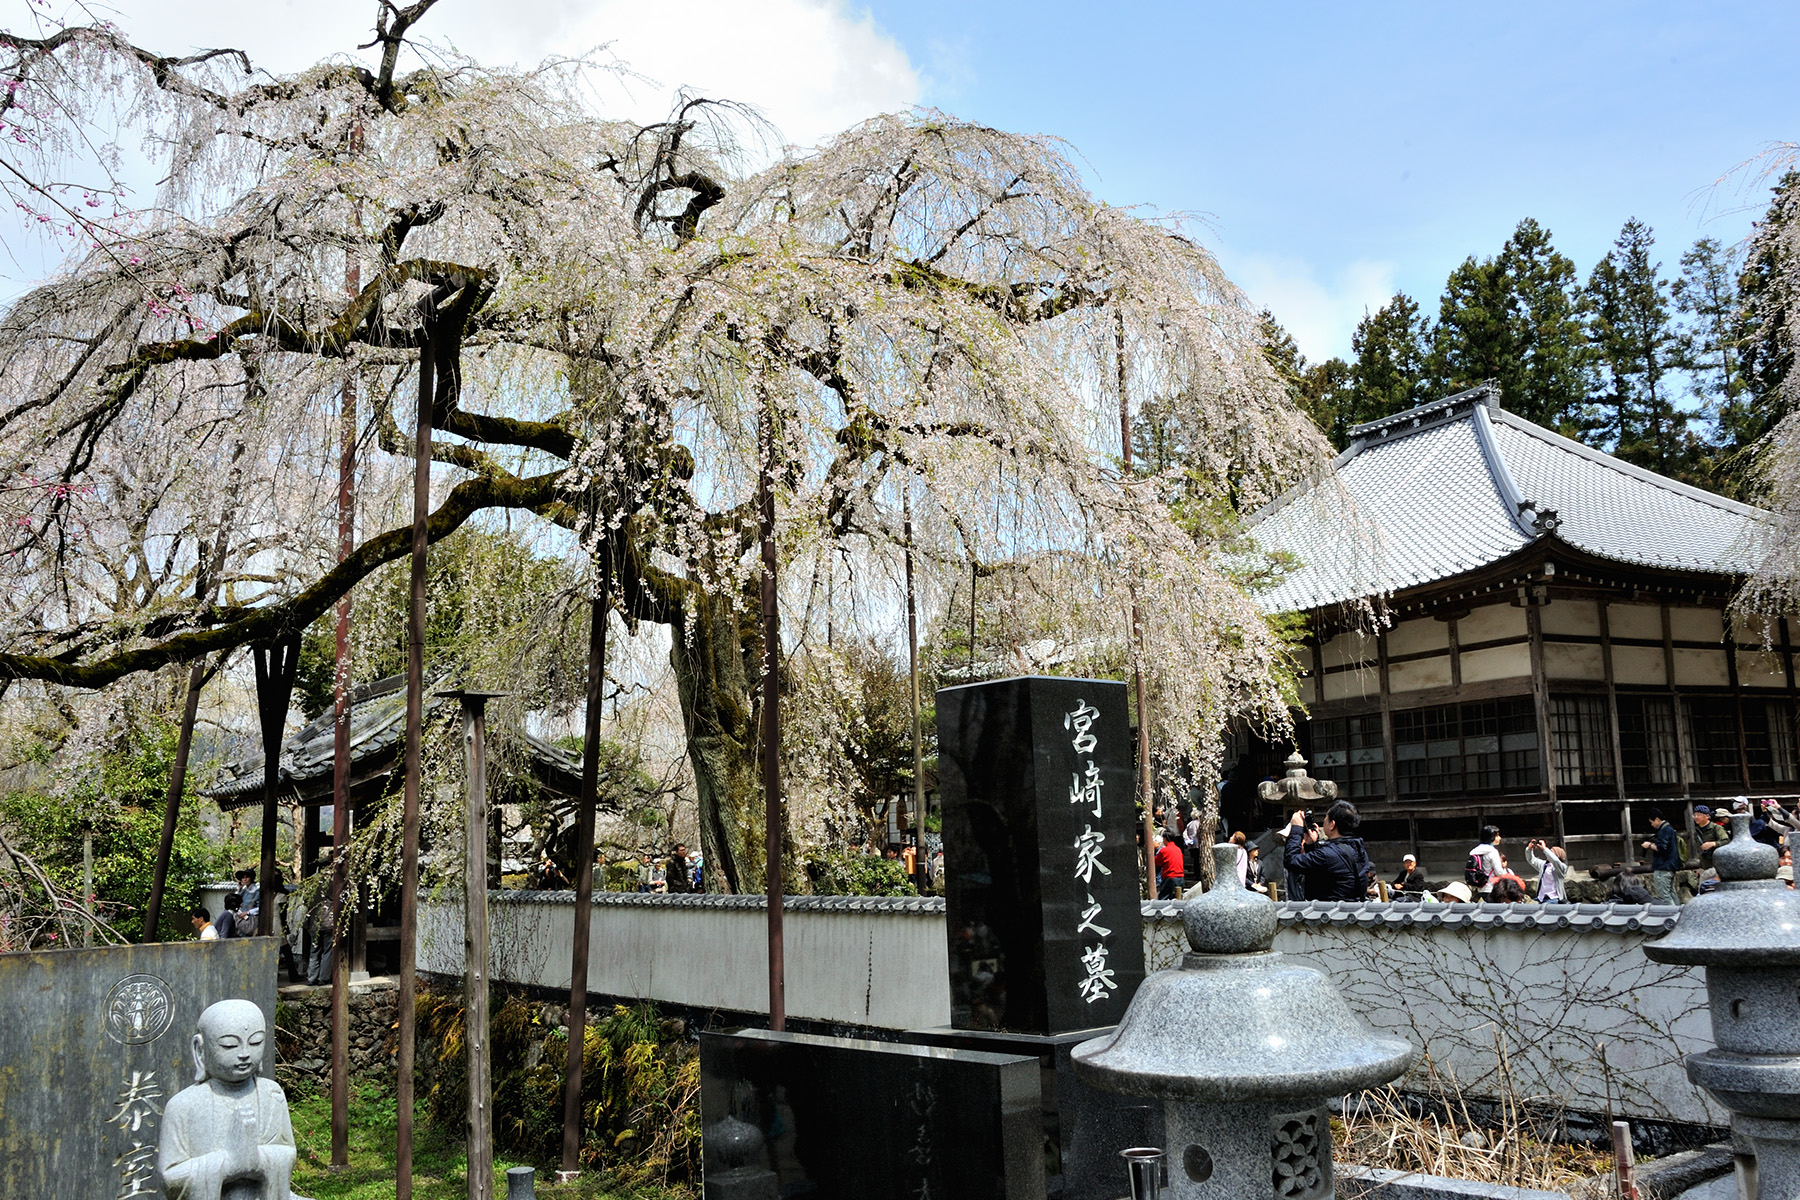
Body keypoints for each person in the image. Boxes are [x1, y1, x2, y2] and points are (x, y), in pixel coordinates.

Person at [157, 998, 299, 1200]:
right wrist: (228, 1162)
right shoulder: (183, 1105)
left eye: (255, 1042)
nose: (244, 1054)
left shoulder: (272, 1094)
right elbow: (169, 1176)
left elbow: (287, 1152)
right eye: (229, 1045)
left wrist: (258, 1159)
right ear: (200, 1049)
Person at [1283, 801, 1371, 902]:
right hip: (1352, 908)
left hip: (1329, 912)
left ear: (1332, 824)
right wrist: (1311, 845)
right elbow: (1325, 871)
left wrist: (1296, 829)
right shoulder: (1359, 849)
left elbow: (1291, 861)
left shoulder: (1328, 854)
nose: (1324, 820)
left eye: (1326, 817)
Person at [1640, 810, 1679, 904]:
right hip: (1670, 865)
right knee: (1671, 893)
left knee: (1664, 895)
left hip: (1663, 866)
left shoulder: (1664, 830)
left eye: (1652, 822)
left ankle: (1671, 916)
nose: (1652, 825)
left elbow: (1661, 848)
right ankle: (1679, 913)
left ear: (1657, 819)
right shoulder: (1669, 828)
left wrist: (1649, 845)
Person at [1526, 839, 1570, 904]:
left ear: (1557, 856)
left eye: (1551, 852)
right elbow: (1531, 860)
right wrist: (1529, 849)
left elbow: (1555, 861)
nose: (1548, 853)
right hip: (1540, 897)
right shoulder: (1544, 865)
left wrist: (1544, 848)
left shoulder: (1562, 867)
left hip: (1554, 898)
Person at [1466, 826, 1503, 894]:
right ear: (1491, 837)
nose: (1499, 838)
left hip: (1480, 887)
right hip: (1491, 887)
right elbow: (1499, 872)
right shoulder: (1492, 851)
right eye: (1497, 836)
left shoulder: (1475, 851)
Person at [1154, 829, 1185, 900]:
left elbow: (1156, 862)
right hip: (1180, 878)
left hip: (1170, 878)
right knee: (1178, 899)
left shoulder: (1164, 850)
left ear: (1165, 839)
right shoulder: (1178, 849)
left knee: (1163, 899)